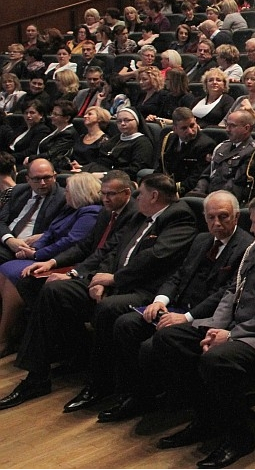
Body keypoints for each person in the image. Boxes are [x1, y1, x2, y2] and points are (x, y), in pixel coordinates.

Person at [145, 190, 255, 469]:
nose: (248, 227)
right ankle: (206, 419)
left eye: (252, 221)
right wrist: (214, 329)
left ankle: (238, 438)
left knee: (216, 359)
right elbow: (232, 291)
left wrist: (231, 335)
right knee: (169, 337)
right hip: (234, 329)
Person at [0, 174, 196, 412]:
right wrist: (97, 279)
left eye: (140, 194)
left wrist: (114, 278)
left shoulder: (179, 217)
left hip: (144, 289)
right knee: (54, 290)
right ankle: (36, 378)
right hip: (112, 280)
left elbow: (155, 258)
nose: (137, 198)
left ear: (154, 196)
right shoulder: (140, 215)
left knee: (107, 309)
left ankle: (99, 384)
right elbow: (111, 250)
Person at [98, 191, 252, 424]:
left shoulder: (246, 247)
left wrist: (187, 317)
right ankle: (136, 395)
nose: (217, 224)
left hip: (205, 317)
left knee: (153, 346)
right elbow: (178, 275)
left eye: (224, 217)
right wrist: (160, 300)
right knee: (125, 324)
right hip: (177, 306)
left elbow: (226, 293)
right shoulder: (201, 240)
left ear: (236, 217)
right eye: (211, 218)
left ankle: (176, 401)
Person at [0, 158, 70, 267]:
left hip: (29, 249)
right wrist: (9, 240)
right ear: (28, 179)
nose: (42, 183)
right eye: (37, 179)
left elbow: (61, 230)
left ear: (55, 177)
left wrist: (35, 245)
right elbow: (1, 221)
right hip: (6, 241)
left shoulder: (64, 198)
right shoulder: (18, 191)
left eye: (47, 178)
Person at [186, 110, 255, 200]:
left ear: (246, 128)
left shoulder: (253, 151)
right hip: (208, 196)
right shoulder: (222, 146)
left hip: (226, 199)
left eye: (232, 126)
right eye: (227, 125)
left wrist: (213, 198)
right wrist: (198, 191)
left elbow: (236, 184)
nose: (227, 129)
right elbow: (207, 174)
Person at [81, 108, 155, 182]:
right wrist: (83, 168)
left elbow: (135, 169)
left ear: (137, 121)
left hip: (122, 180)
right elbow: (101, 161)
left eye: (127, 120)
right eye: (119, 121)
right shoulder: (116, 139)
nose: (122, 123)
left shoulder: (143, 142)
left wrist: (106, 174)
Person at [156, 107, 217, 196]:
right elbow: (162, 167)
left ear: (196, 122)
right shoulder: (169, 139)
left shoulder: (206, 145)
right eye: (184, 128)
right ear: (175, 128)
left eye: (192, 125)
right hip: (168, 188)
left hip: (188, 192)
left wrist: (168, 188)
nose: (190, 131)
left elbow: (197, 178)